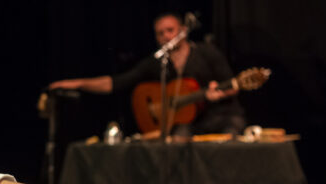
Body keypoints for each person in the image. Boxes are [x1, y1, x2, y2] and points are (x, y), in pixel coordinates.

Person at [50, 12, 246, 136]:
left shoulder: (206, 52)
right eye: (160, 33)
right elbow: (117, 82)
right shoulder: (158, 62)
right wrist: (77, 83)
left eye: (170, 30)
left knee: (231, 134)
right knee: (176, 141)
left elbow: (233, 85)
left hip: (221, 116)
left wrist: (219, 93)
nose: (166, 36)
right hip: (189, 123)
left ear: (183, 30)